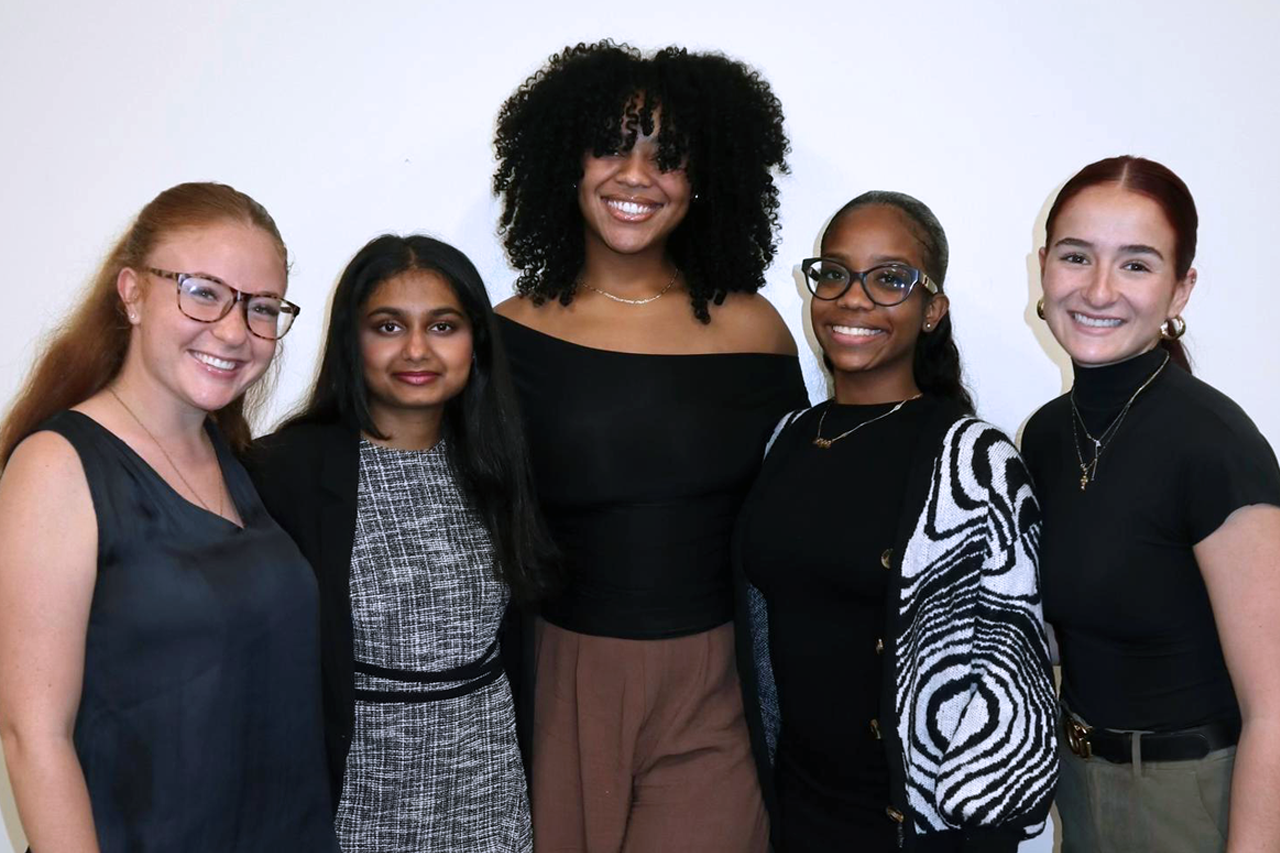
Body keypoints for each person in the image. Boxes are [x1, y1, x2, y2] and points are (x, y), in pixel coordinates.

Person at [492, 41, 807, 851]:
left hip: (717, 686)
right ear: (567, 157)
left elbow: (797, 512)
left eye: (668, 157)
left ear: (703, 181)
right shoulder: (510, 332)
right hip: (564, 675)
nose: (636, 176)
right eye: (612, 144)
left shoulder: (753, 329)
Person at [0, 182, 336, 852]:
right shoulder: (58, 468)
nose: (235, 331)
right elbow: (31, 735)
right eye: (203, 291)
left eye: (262, 307)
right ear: (131, 292)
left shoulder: (230, 456)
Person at [736, 191, 1059, 851]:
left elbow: (1011, 679)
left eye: (890, 279)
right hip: (796, 807)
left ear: (931, 309)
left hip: (915, 825)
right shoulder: (788, 437)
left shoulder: (977, 463)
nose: (854, 297)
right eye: (834, 272)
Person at [245, 234, 555, 853]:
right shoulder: (286, 471)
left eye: (443, 326)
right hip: (353, 800)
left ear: (476, 343)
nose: (417, 349)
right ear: (351, 340)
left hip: (488, 792)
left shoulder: (500, 462)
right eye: (388, 326)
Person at [1023, 155, 1280, 852]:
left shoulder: (1214, 445)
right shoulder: (1047, 434)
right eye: (1077, 257)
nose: (1099, 289)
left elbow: (1276, 707)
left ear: (1180, 289)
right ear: (1044, 266)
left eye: (1136, 265)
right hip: (1077, 784)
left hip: (1193, 802)